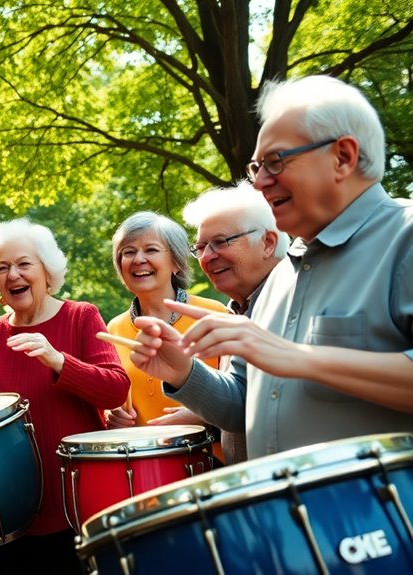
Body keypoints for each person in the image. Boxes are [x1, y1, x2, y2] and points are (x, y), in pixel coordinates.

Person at [130, 75, 413, 460]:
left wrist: (299, 357)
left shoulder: (405, 236)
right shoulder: (282, 276)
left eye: (276, 161)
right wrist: (183, 372)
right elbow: (242, 406)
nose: (260, 182)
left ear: (343, 157)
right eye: (256, 167)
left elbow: (289, 359)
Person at [0, 218, 130, 574]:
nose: (13, 273)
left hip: (73, 506)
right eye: (3, 267)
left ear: (47, 272)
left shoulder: (81, 316)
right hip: (5, 511)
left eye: (23, 263)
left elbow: (115, 388)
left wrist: (58, 361)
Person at [181, 181, 289, 464]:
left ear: (268, 243)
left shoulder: (295, 301)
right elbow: (240, 407)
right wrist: (179, 370)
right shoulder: (238, 311)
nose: (207, 257)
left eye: (221, 242)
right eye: (201, 247)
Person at [103, 212, 226, 438]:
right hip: (144, 466)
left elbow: (244, 394)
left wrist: (203, 413)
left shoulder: (214, 314)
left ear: (176, 263)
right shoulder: (113, 329)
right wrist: (112, 415)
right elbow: (114, 399)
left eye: (151, 250)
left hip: (209, 460)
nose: (138, 259)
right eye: (128, 252)